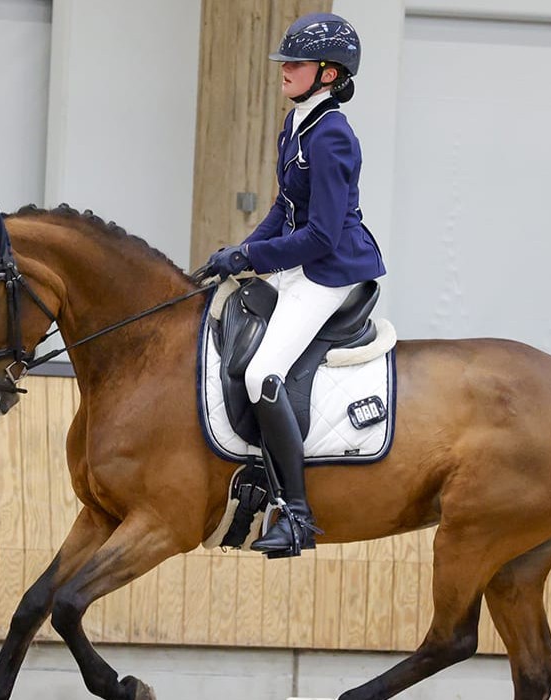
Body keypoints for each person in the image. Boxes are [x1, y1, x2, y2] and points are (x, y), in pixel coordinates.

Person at [208, 12, 385, 557]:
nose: (284, 69)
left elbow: (322, 236)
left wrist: (255, 255)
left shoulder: (333, 136)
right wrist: (238, 251)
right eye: (285, 60)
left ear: (329, 74)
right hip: (301, 263)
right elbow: (283, 208)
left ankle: (296, 514)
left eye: (297, 63)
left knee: (264, 373)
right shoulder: (298, 123)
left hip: (330, 271)